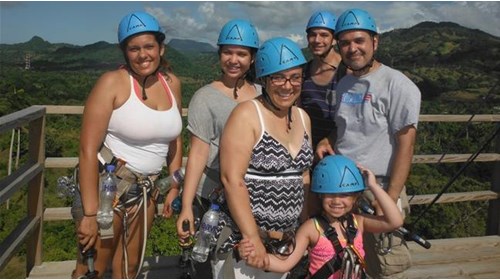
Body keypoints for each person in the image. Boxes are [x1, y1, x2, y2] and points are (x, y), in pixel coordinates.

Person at [73, 11, 183, 278]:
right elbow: (88, 150)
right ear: (124, 52)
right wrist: (89, 214)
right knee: (94, 268)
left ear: (161, 48)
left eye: (149, 47)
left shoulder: (172, 84)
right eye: (133, 49)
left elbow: (174, 140)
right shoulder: (112, 83)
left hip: (146, 192)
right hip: (108, 189)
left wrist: (173, 185)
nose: (142, 55)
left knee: (129, 267)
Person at [316, 8, 422, 278]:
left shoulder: (397, 85)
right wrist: (328, 140)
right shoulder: (343, 84)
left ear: (375, 41)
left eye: (359, 40)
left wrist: (392, 196)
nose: (352, 48)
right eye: (345, 42)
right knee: (346, 259)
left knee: (384, 265)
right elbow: (346, 127)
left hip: (380, 188)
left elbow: (405, 144)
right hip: (342, 190)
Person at [217, 37, 314, 279]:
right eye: (278, 77)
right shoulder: (247, 115)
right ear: (263, 79)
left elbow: (303, 176)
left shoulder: (303, 118)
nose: (287, 85)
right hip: (246, 242)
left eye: (295, 77)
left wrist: (307, 227)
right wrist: (252, 237)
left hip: (285, 242)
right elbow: (232, 179)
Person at [175, 18, 261, 277]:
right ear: (219, 54)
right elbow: (198, 153)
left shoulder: (262, 93)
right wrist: (187, 204)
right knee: (207, 264)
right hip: (212, 195)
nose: (234, 59)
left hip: (251, 193)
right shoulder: (205, 97)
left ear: (252, 58)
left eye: (241, 54)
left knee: (244, 263)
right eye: (228, 52)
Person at [237, 155, 404, 278]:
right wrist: (254, 257)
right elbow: (285, 263)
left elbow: (395, 221)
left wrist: (373, 186)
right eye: (330, 195)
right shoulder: (311, 228)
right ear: (320, 196)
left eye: (345, 195)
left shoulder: (358, 221)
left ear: (355, 198)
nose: (337, 201)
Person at [299, 10, 344, 150]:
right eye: (313, 35)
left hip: (339, 151)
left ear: (334, 39)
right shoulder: (303, 72)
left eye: (324, 35)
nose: (317, 40)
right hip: (308, 150)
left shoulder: (346, 72)